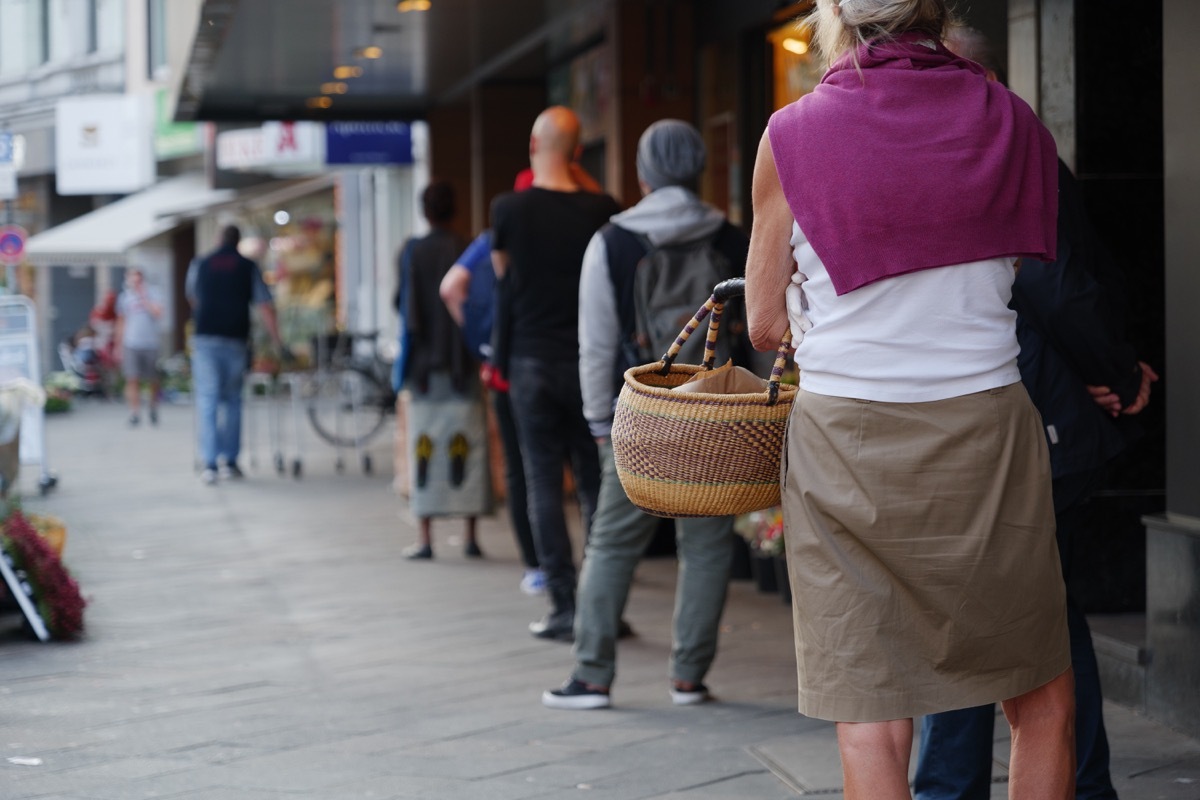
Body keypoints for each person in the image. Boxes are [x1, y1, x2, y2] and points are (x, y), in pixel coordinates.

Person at [744, 2, 1075, 798]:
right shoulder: (1012, 118)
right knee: (1041, 697)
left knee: (870, 709)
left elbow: (761, 321)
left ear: (838, 21)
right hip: (987, 425)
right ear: (935, 12)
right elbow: (1032, 266)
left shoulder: (790, 134)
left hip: (844, 439)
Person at [912, 27, 1159, 800]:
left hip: (1013, 419)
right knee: (1040, 610)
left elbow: (1054, 285)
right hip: (1029, 412)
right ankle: (1079, 785)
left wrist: (1108, 372)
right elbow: (1059, 285)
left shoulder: (981, 150)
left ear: (978, 76)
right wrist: (1108, 372)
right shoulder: (1003, 148)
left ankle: (961, 789)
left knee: (988, 614)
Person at [541, 119, 748, 710]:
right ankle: (689, 676)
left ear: (643, 172)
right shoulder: (731, 237)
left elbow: (597, 343)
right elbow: (758, 331)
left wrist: (599, 423)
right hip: (715, 414)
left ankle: (593, 674)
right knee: (705, 546)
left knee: (611, 543)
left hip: (641, 414)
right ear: (699, 168)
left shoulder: (613, 241)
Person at [490, 106, 622, 640]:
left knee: (542, 481)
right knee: (594, 485)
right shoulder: (600, 208)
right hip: (589, 363)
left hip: (529, 361)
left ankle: (564, 606)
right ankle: (601, 604)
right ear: (576, 152)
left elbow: (504, 284)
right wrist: (575, 168)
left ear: (530, 145)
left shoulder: (508, 210)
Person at [395, 179, 491, 560]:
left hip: (423, 369)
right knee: (468, 442)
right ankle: (470, 536)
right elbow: (480, 305)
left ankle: (426, 539)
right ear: (454, 209)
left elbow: (404, 308)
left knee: (424, 446)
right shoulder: (467, 248)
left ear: (424, 211)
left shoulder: (412, 251)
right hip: (463, 365)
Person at [187, 224, 285, 486]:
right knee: (232, 400)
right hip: (235, 339)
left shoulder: (201, 263)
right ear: (239, 242)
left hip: (205, 337)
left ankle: (209, 463)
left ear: (219, 239)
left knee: (208, 400)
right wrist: (278, 341)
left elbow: (193, 297)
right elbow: (265, 305)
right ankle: (229, 461)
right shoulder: (247, 266)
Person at [114, 268, 165, 426]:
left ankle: (153, 406)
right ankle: (134, 413)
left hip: (150, 343)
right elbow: (121, 321)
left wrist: (143, 297)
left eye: (137, 280)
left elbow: (158, 313)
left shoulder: (153, 294)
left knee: (153, 379)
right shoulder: (124, 298)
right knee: (132, 378)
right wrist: (118, 345)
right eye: (131, 279)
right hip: (131, 343)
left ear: (142, 280)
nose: (134, 283)